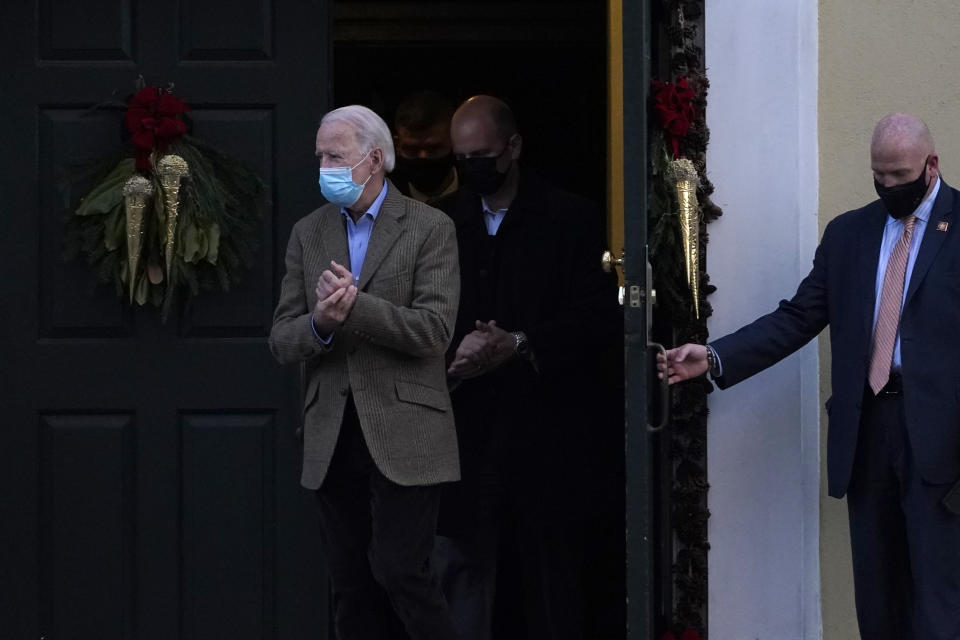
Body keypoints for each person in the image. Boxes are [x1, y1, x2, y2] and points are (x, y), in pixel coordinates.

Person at [658, 113, 960, 640]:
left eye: (899, 175)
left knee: (940, 606)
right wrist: (715, 356)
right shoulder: (849, 234)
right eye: (878, 176)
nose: (888, 186)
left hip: (942, 445)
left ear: (931, 166)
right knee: (879, 602)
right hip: (867, 433)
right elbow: (797, 317)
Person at [268, 104, 462, 640]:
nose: (323, 166)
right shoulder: (309, 234)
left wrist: (356, 310)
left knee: (403, 573)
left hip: (407, 429)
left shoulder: (430, 227)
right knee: (351, 584)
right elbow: (283, 338)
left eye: (335, 155)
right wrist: (321, 324)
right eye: (320, 156)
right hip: (333, 428)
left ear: (374, 160)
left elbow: (434, 331)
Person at [434, 95, 623, 640]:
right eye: (461, 157)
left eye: (483, 155)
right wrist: (453, 360)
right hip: (463, 432)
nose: (472, 166)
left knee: (550, 577)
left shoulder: (568, 217)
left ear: (513, 148)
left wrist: (519, 343)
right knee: (461, 573)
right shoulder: (441, 223)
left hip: (548, 432)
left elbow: (594, 316)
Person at [392, 90, 459, 205]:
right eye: (412, 150)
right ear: (397, 145)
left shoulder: (481, 196)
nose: (423, 157)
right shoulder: (380, 201)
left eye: (434, 148)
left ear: (455, 141)